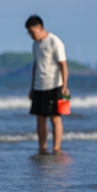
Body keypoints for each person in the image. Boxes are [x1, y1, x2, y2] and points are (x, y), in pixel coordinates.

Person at [26, 15, 69, 153]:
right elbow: (36, 66)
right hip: (39, 86)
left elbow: (63, 65)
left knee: (55, 117)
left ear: (40, 28)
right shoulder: (35, 44)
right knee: (40, 118)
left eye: (32, 32)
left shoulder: (54, 41)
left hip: (54, 85)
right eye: (29, 33)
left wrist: (64, 86)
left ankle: (56, 148)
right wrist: (32, 88)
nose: (31, 35)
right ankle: (42, 147)